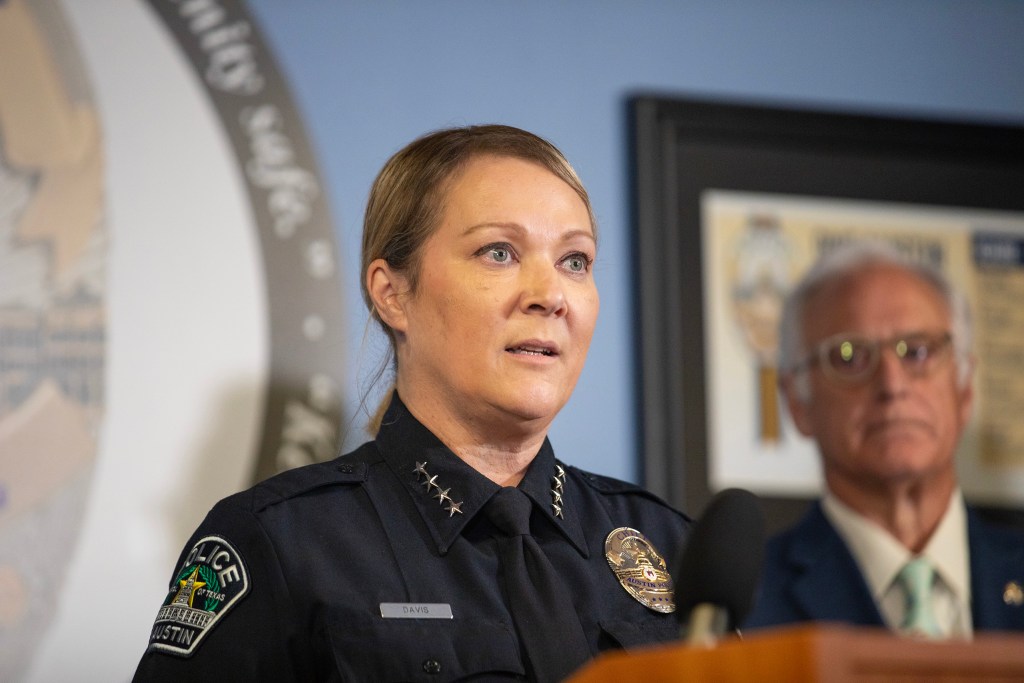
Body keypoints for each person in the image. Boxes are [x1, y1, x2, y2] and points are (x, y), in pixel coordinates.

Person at [132, 124, 690, 682]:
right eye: (499, 252)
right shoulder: (277, 544)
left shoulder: (668, 543)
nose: (550, 295)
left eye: (575, 261)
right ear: (392, 293)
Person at [743, 241, 1024, 638]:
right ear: (796, 403)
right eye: (849, 356)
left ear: (964, 390)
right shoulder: (744, 611)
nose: (892, 384)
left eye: (918, 352)